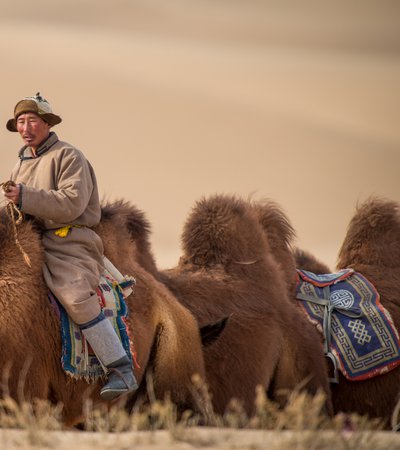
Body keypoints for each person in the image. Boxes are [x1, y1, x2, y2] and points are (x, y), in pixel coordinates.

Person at [3, 93, 138, 401]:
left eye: (32, 121)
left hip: (69, 241)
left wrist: (24, 195)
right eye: (20, 122)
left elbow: (72, 204)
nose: (25, 128)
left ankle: (120, 367)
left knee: (74, 295)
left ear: (47, 124)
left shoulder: (69, 157)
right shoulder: (22, 161)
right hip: (30, 242)